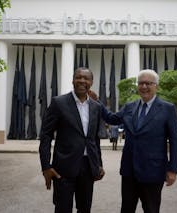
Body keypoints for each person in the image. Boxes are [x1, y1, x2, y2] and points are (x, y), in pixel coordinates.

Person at [91, 69, 177, 213]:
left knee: (151, 209)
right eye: (141, 83)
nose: (144, 87)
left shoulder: (167, 109)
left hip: (153, 171)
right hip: (129, 171)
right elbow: (111, 118)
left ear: (156, 86)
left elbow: (175, 141)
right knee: (126, 208)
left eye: (148, 83)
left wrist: (173, 170)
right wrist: (98, 103)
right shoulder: (129, 107)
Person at [39, 67, 105, 213]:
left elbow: (94, 139)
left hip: (88, 168)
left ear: (91, 82)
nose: (82, 81)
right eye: (78, 77)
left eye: (86, 78)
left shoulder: (96, 107)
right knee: (62, 209)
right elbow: (46, 136)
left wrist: (98, 164)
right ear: (72, 80)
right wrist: (45, 166)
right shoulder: (59, 103)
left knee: (85, 208)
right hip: (63, 168)